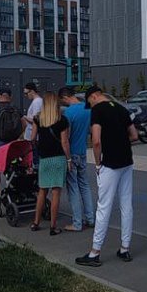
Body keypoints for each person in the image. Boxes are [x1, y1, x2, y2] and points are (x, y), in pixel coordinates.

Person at [76, 86, 138, 267]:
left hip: (109, 164)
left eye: (90, 102)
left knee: (103, 207)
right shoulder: (121, 108)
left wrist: (97, 164)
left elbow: (96, 141)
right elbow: (134, 135)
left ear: (94, 96)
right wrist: (120, 141)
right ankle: (125, 248)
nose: (90, 105)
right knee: (126, 204)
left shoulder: (97, 111)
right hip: (127, 162)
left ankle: (95, 252)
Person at [31, 90, 69, 235]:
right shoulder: (62, 120)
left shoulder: (37, 118)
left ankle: (36, 222)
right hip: (59, 157)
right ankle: (53, 226)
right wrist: (69, 159)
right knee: (56, 193)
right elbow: (65, 142)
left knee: (42, 191)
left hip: (44, 158)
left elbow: (33, 138)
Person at [61, 88, 96, 232]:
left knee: (73, 187)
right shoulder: (87, 109)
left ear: (65, 97)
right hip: (83, 152)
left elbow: (66, 138)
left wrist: (67, 157)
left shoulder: (68, 113)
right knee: (85, 185)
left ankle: (76, 222)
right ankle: (91, 218)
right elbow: (90, 131)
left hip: (72, 153)